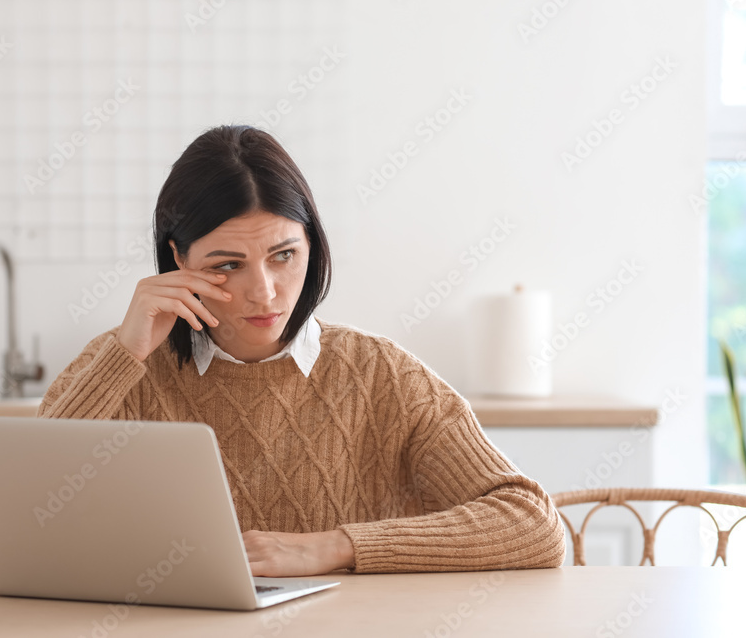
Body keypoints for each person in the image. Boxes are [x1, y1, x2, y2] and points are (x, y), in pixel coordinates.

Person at [37, 124, 566, 576]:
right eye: (227, 265)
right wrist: (125, 354)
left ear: (312, 245)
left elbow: (533, 524)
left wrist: (335, 547)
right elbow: (29, 516)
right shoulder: (124, 366)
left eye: (284, 255)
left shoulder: (379, 373)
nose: (264, 292)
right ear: (178, 257)